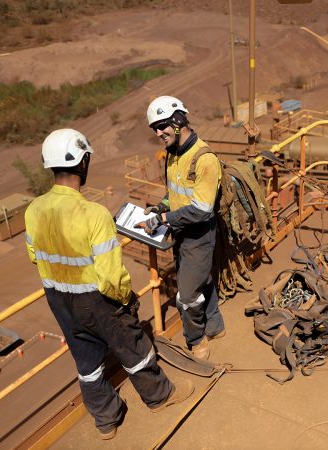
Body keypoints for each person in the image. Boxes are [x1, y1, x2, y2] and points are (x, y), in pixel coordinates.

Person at [24, 129, 194, 440]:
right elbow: (110, 276)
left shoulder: (33, 210)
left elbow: (34, 256)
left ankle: (106, 420)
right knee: (132, 345)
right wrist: (126, 299)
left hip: (58, 299)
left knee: (86, 358)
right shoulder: (94, 214)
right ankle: (160, 396)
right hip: (96, 299)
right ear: (83, 162)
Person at [137, 96, 225, 360]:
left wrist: (163, 220)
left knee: (186, 296)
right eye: (155, 128)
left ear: (178, 120)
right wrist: (161, 207)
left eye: (162, 125)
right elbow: (175, 192)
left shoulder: (204, 159)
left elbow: (201, 210)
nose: (158, 133)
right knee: (202, 279)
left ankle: (196, 339)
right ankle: (215, 325)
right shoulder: (173, 154)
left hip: (199, 235)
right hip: (181, 231)